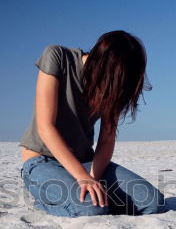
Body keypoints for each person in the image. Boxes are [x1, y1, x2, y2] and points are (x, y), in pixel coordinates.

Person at [19, 30, 167, 217]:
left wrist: (92, 178)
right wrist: (82, 178)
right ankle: (45, 200)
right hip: (42, 160)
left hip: (86, 162)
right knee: (91, 208)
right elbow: (46, 126)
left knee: (153, 203)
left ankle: (80, 198)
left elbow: (106, 140)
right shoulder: (57, 57)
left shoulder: (115, 85)